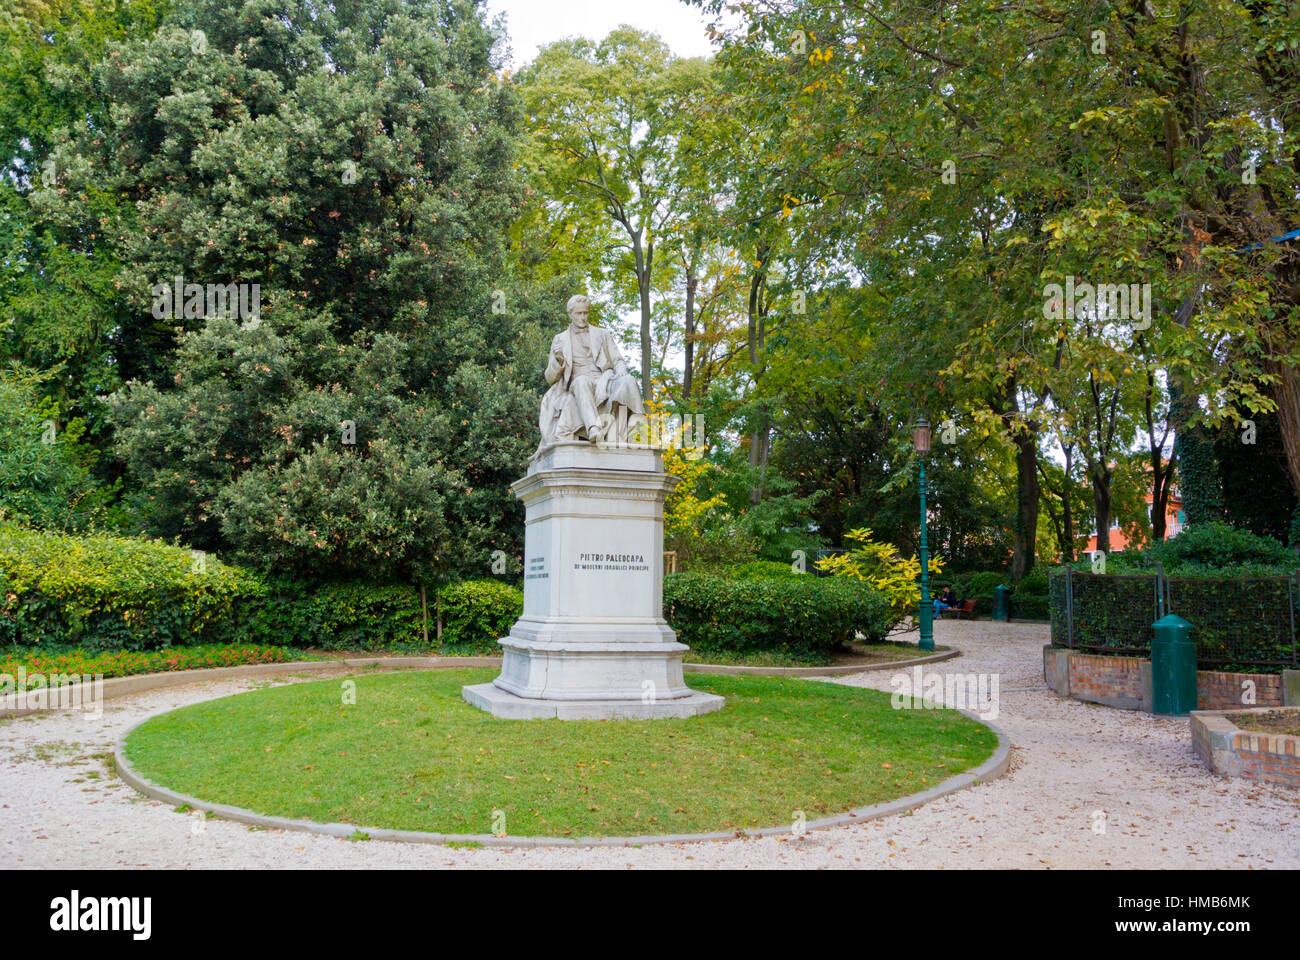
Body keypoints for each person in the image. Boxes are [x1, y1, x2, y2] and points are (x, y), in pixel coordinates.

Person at [538, 294, 644, 446]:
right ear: (570, 314)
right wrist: (559, 361)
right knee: (581, 382)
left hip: (604, 379)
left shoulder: (602, 334)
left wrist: (621, 370)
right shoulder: (560, 339)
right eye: (578, 313)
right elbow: (549, 377)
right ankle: (593, 427)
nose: (582, 317)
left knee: (628, 380)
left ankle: (637, 423)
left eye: (585, 313)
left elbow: (618, 360)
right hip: (578, 381)